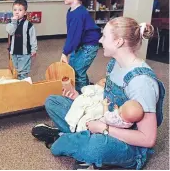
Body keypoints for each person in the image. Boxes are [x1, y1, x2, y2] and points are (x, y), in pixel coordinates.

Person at [32, 17, 166, 170]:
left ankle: (67, 136)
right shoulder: (114, 64)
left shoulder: (141, 82)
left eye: (105, 36)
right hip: (103, 119)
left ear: (118, 42)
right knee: (53, 102)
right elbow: (106, 100)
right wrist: (79, 97)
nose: (100, 40)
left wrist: (104, 129)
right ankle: (77, 138)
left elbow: (148, 139)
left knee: (94, 146)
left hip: (128, 144)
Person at [60, 0, 101, 93]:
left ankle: (82, 96)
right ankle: (87, 88)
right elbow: (72, 35)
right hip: (81, 44)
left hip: (89, 46)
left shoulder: (79, 14)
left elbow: (74, 36)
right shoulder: (71, 10)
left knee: (78, 71)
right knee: (75, 68)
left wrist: (65, 52)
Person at [6, 0, 37, 80]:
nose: (17, 12)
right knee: (15, 70)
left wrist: (34, 49)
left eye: (20, 10)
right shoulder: (11, 23)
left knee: (23, 71)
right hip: (13, 52)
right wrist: (14, 22)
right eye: (15, 10)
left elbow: (33, 38)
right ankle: (17, 84)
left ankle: (23, 85)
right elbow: (10, 31)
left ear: (25, 12)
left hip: (25, 52)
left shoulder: (29, 25)